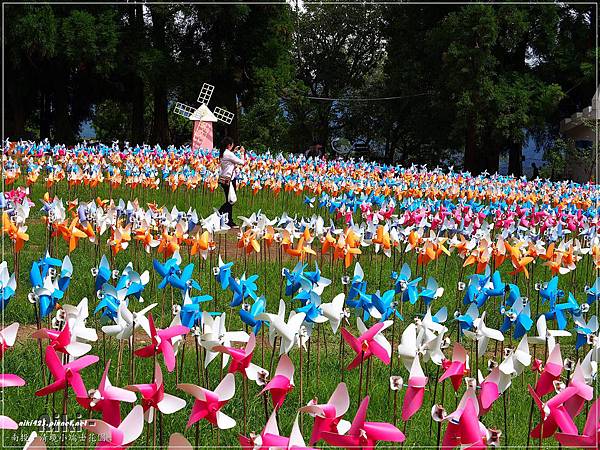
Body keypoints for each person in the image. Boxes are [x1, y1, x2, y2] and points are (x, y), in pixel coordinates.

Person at [217, 136, 245, 227]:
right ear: (229, 145)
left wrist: (234, 152)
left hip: (223, 179)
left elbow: (229, 160)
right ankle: (219, 213)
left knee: (229, 200)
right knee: (231, 200)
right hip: (229, 180)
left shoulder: (223, 153)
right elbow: (241, 162)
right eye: (232, 145)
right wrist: (242, 153)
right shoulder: (228, 154)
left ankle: (229, 220)